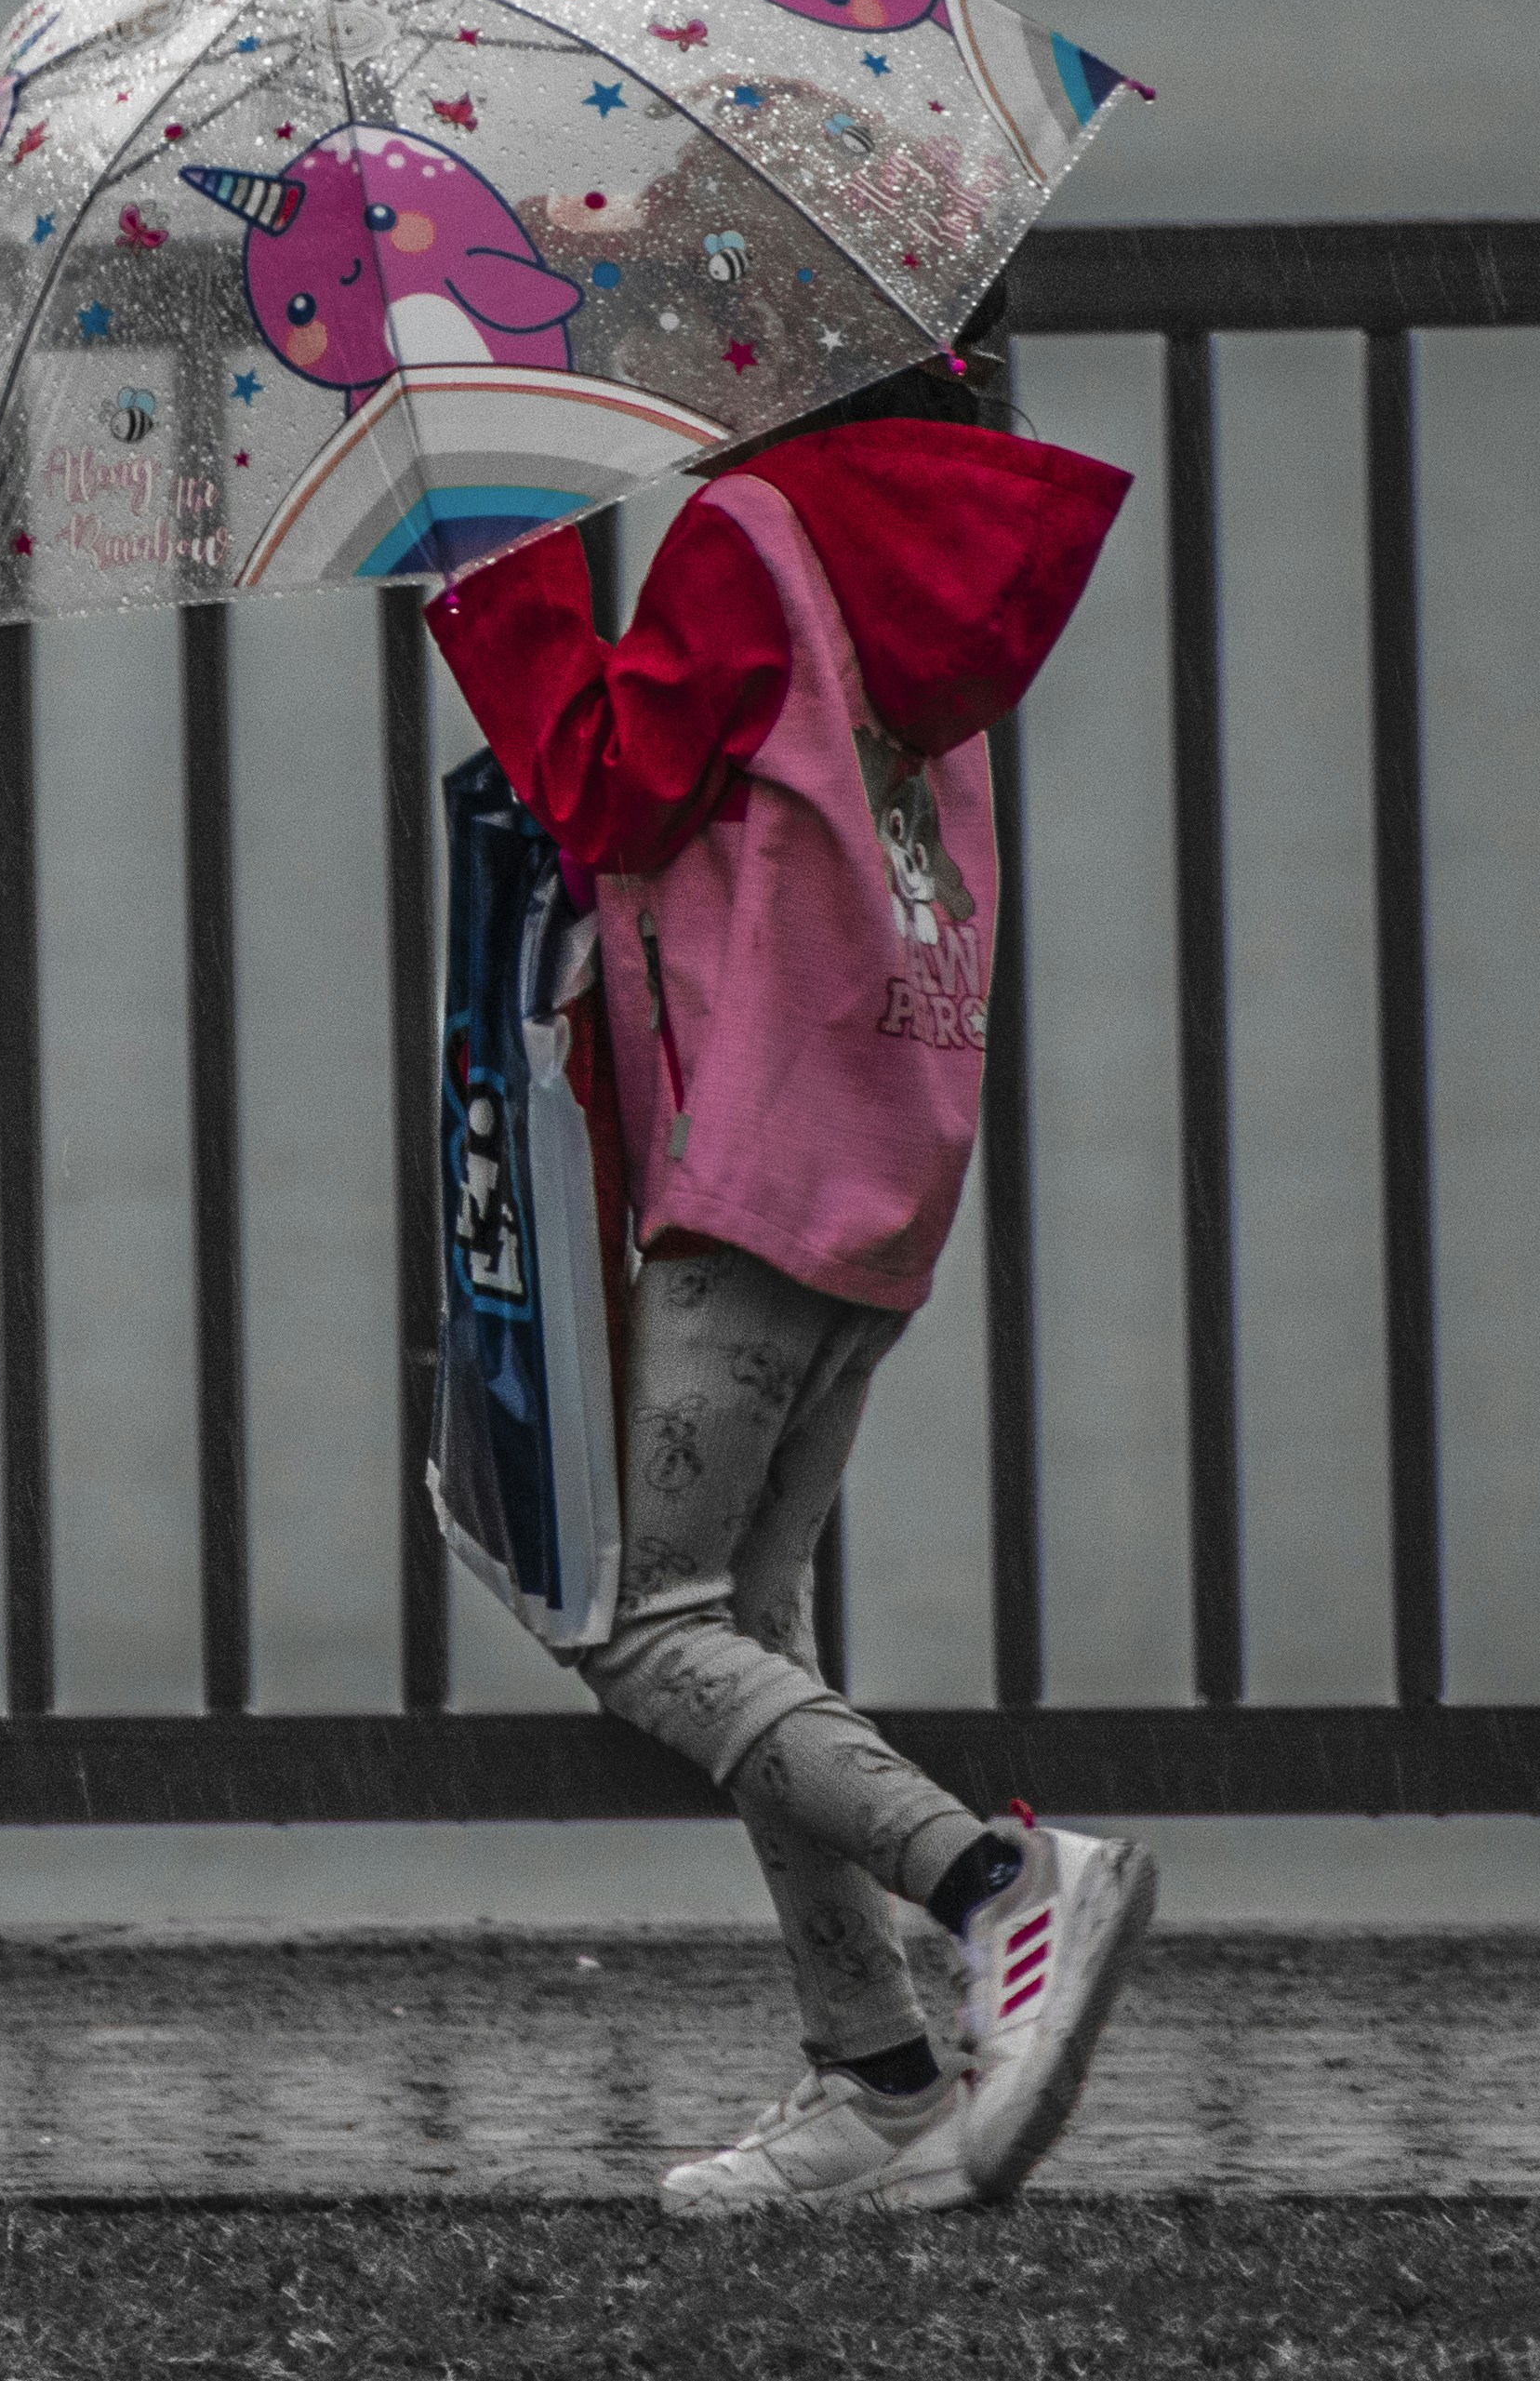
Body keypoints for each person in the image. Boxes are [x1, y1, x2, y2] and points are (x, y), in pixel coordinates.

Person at [425, 349, 1149, 2214]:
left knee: (636, 1623)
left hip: (748, 1160)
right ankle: (880, 2078)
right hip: (882, 1143)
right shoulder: (924, 555)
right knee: (749, 1618)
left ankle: (999, 1887)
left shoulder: (756, 533)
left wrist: (497, 569)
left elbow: (609, 790)